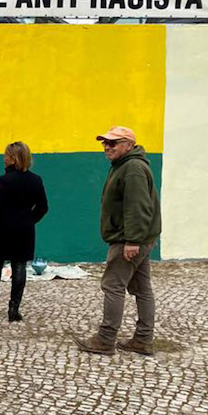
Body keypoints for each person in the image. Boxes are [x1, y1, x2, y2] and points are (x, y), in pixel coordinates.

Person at [76, 127, 162, 357]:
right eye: (105, 142)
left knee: (113, 285)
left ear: (129, 145)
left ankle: (105, 340)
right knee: (142, 289)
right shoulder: (126, 166)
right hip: (139, 237)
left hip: (130, 239)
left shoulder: (132, 168)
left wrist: (132, 240)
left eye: (113, 143)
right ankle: (143, 340)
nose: (107, 147)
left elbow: (137, 206)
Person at [0, 142, 49, 322]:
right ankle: (14, 309)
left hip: (0, 228)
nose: (3, 158)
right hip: (24, 229)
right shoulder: (36, 180)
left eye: (6, 155)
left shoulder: (3, 180)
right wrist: (29, 219)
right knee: (19, 266)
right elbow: (43, 207)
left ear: (12, 158)